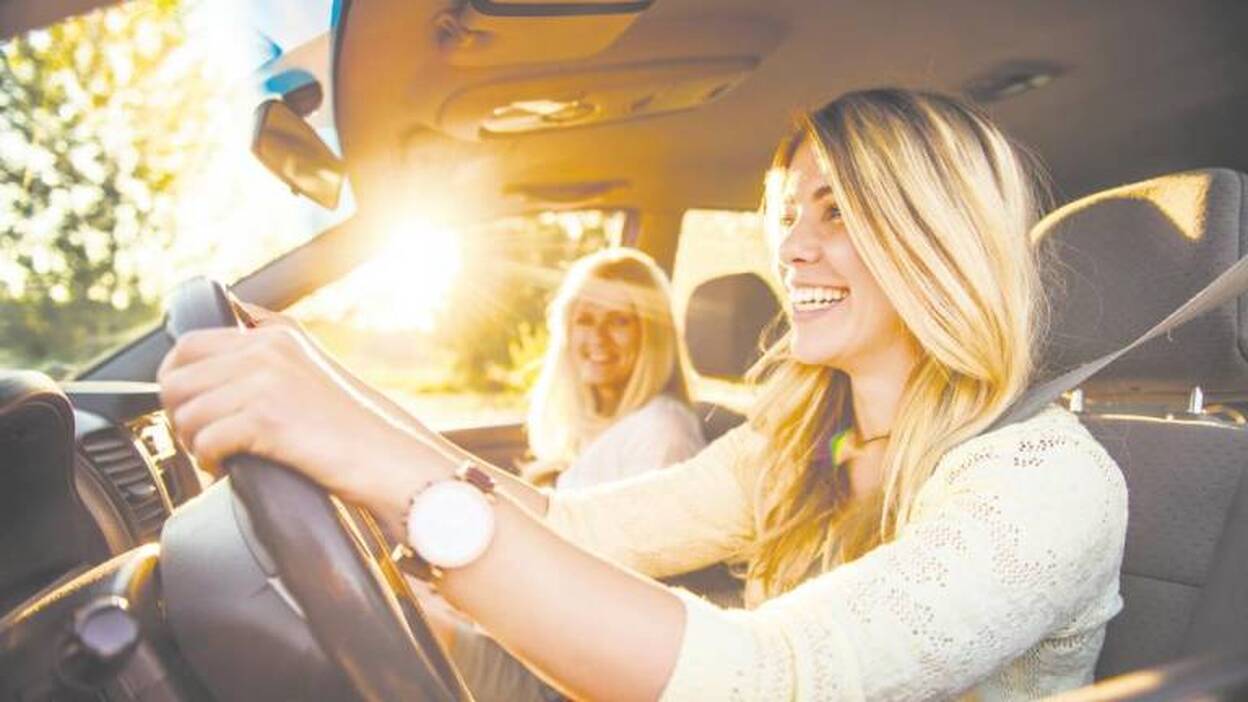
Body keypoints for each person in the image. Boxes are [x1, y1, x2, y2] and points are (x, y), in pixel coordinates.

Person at [159, 88, 1128, 700]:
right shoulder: (801, 445)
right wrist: (334, 393)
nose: (792, 248)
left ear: (937, 234)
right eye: (788, 215)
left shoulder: (1045, 482)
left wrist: (375, 461)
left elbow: (771, 681)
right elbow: (580, 529)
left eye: (838, 210)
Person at [523, 247, 705, 489]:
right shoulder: (589, 424)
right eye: (585, 320)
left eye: (618, 320)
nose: (598, 337)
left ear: (652, 335)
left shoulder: (662, 431)